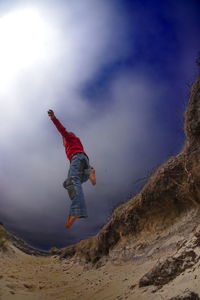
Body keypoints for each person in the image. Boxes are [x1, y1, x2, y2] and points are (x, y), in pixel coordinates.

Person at [47, 109, 96, 228]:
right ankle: (89, 172)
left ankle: (77, 211)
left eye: (63, 140)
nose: (63, 143)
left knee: (73, 181)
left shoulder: (69, 138)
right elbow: (81, 154)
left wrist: (53, 117)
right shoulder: (76, 143)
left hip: (77, 159)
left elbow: (62, 130)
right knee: (68, 183)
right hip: (84, 161)